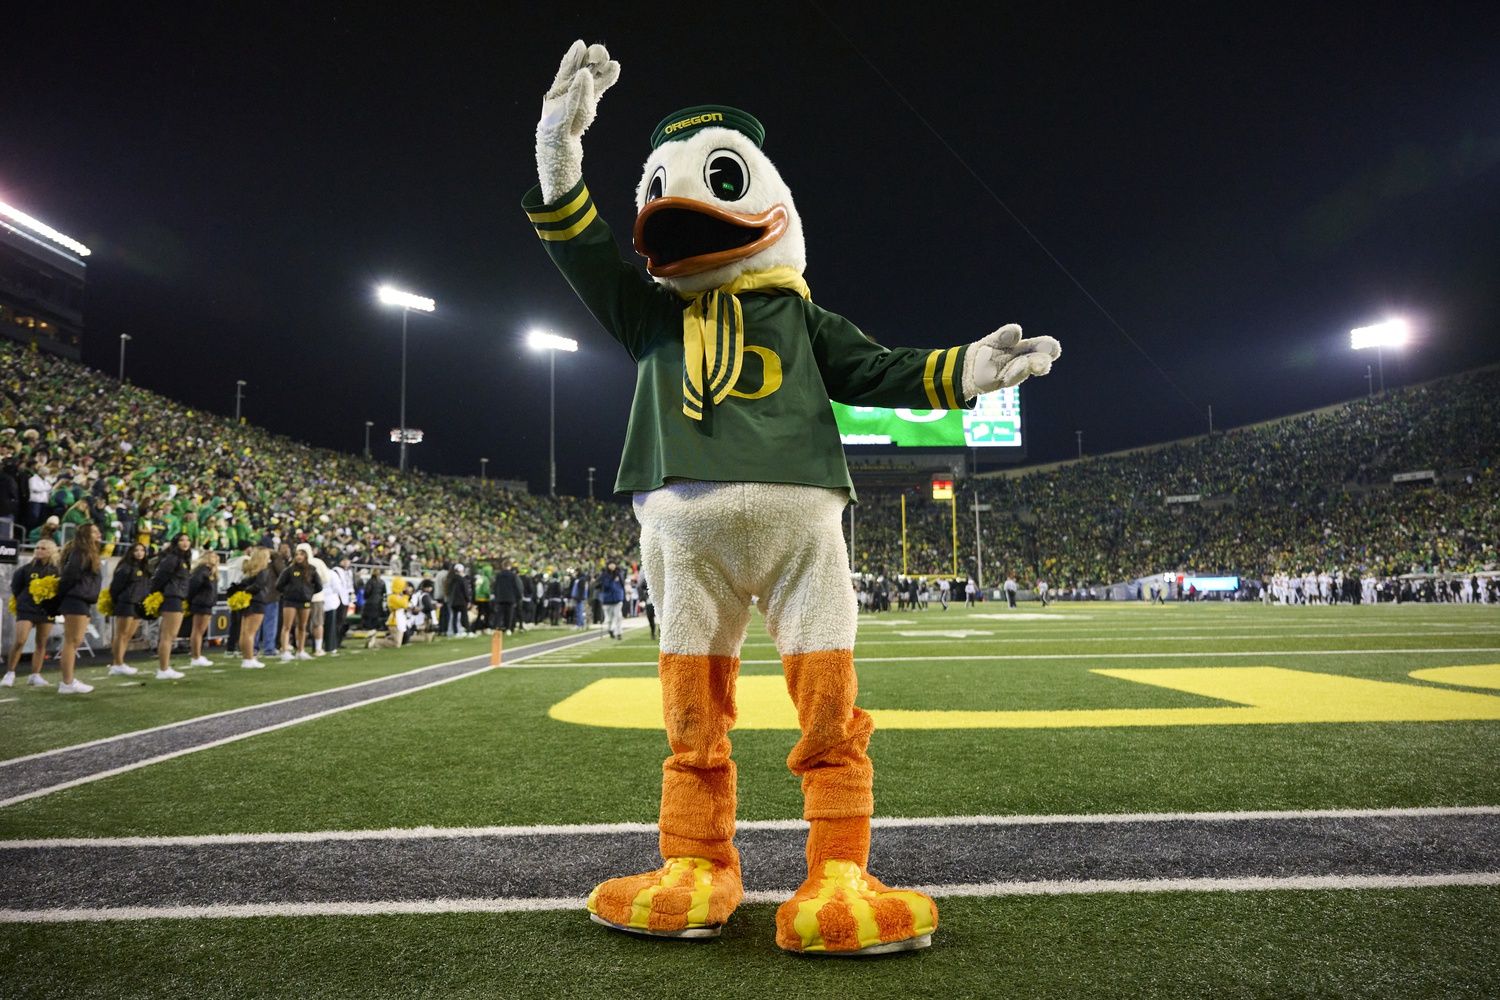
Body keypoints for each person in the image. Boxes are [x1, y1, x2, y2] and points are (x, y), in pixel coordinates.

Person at [3, 538, 62, 688]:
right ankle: (10, 673)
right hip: (27, 608)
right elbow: (16, 588)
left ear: (51, 552)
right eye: (37, 547)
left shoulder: (57, 570)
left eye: (43, 548)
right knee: (21, 640)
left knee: (41, 643)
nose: (39, 550)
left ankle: (35, 675)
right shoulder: (25, 569)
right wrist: (23, 602)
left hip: (46, 609)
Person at [53, 522, 103, 693]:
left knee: (74, 641)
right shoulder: (81, 552)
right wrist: (64, 596)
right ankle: (67, 683)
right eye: (94, 531)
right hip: (75, 600)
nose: (98, 533)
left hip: (82, 600)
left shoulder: (88, 552)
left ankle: (68, 681)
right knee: (71, 642)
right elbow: (69, 575)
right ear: (85, 535)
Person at [149, 531, 193, 680]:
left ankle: (165, 667)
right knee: (167, 636)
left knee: (171, 635)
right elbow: (158, 578)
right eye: (181, 540)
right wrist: (157, 593)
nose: (185, 543)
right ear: (176, 543)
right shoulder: (172, 559)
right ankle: (163, 669)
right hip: (172, 598)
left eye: (187, 540)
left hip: (177, 598)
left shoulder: (183, 559)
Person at [106, 541, 151, 676]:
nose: (139, 553)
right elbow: (115, 588)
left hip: (137, 605)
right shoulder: (125, 567)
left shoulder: (144, 568)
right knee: (121, 634)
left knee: (128, 636)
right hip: (126, 604)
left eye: (142, 550)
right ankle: (117, 663)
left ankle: (119, 662)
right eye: (136, 550)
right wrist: (118, 602)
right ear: (131, 552)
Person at [276, 546, 321, 660]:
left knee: (302, 626)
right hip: (290, 601)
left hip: (305, 601)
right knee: (287, 626)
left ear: (306, 556)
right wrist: (288, 593)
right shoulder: (289, 570)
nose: (298, 557)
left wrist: (309, 593)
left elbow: (319, 586)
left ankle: (301, 650)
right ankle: (285, 650)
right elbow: (278, 585)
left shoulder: (312, 569)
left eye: (301, 554)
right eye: (297, 554)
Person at [234, 546, 273, 669]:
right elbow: (258, 586)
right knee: (250, 633)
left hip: (248, 602)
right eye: (267, 557)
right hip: (257, 602)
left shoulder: (249, 570)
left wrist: (244, 592)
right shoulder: (263, 571)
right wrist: (247, 592)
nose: (269, 559)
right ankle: (249, 659)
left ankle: (246, 658)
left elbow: (242, 584)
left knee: (244, 632)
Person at [186, 550, 220, 667]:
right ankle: (196, 656)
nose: (216, 558)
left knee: (200, 631)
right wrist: (192, 600)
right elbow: (193, 586)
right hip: (201, 603)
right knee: (198, 631)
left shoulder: (210, 571)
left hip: (206, 603)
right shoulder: (202, 570)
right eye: (213, 556)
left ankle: (197, 654)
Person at [597, 559, 626, 639]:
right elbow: (600, 584)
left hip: (617, 598)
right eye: (610, 564)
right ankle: (610, 629)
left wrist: (623, 596)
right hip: (607, 600)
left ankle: (619, 633)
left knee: (618, 616)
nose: (612, 565)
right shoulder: (604, 575)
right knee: (609, 618)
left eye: (613, 564)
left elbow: (622, 585)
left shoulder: (619, 574)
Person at [494, 559, 524, 634]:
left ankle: (498, 627)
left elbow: (495, 586)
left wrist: (496, 596)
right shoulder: (512, 575)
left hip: (501, 597)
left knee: (500, 613)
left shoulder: (499, 575)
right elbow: (516, 587)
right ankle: (508, 628)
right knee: (509, 614)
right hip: (510, 597)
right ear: (509, 566)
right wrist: (519, 597)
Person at [445, 562, 471, 636]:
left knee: (454, 617)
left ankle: (455, 632)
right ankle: (468, 631)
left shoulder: (450, 579)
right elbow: (465, 590)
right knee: (464, 616)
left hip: (453, 600)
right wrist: (468, 600)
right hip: (461, 600)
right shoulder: (462, 580)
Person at [638, 573, 657, 640]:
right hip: (649, 600)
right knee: (650, 617)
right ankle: (652, 632)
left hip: (658, 599)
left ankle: (661, 631)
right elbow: (640, 587)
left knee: (661, 617)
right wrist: (642, 598)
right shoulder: (646, 579)